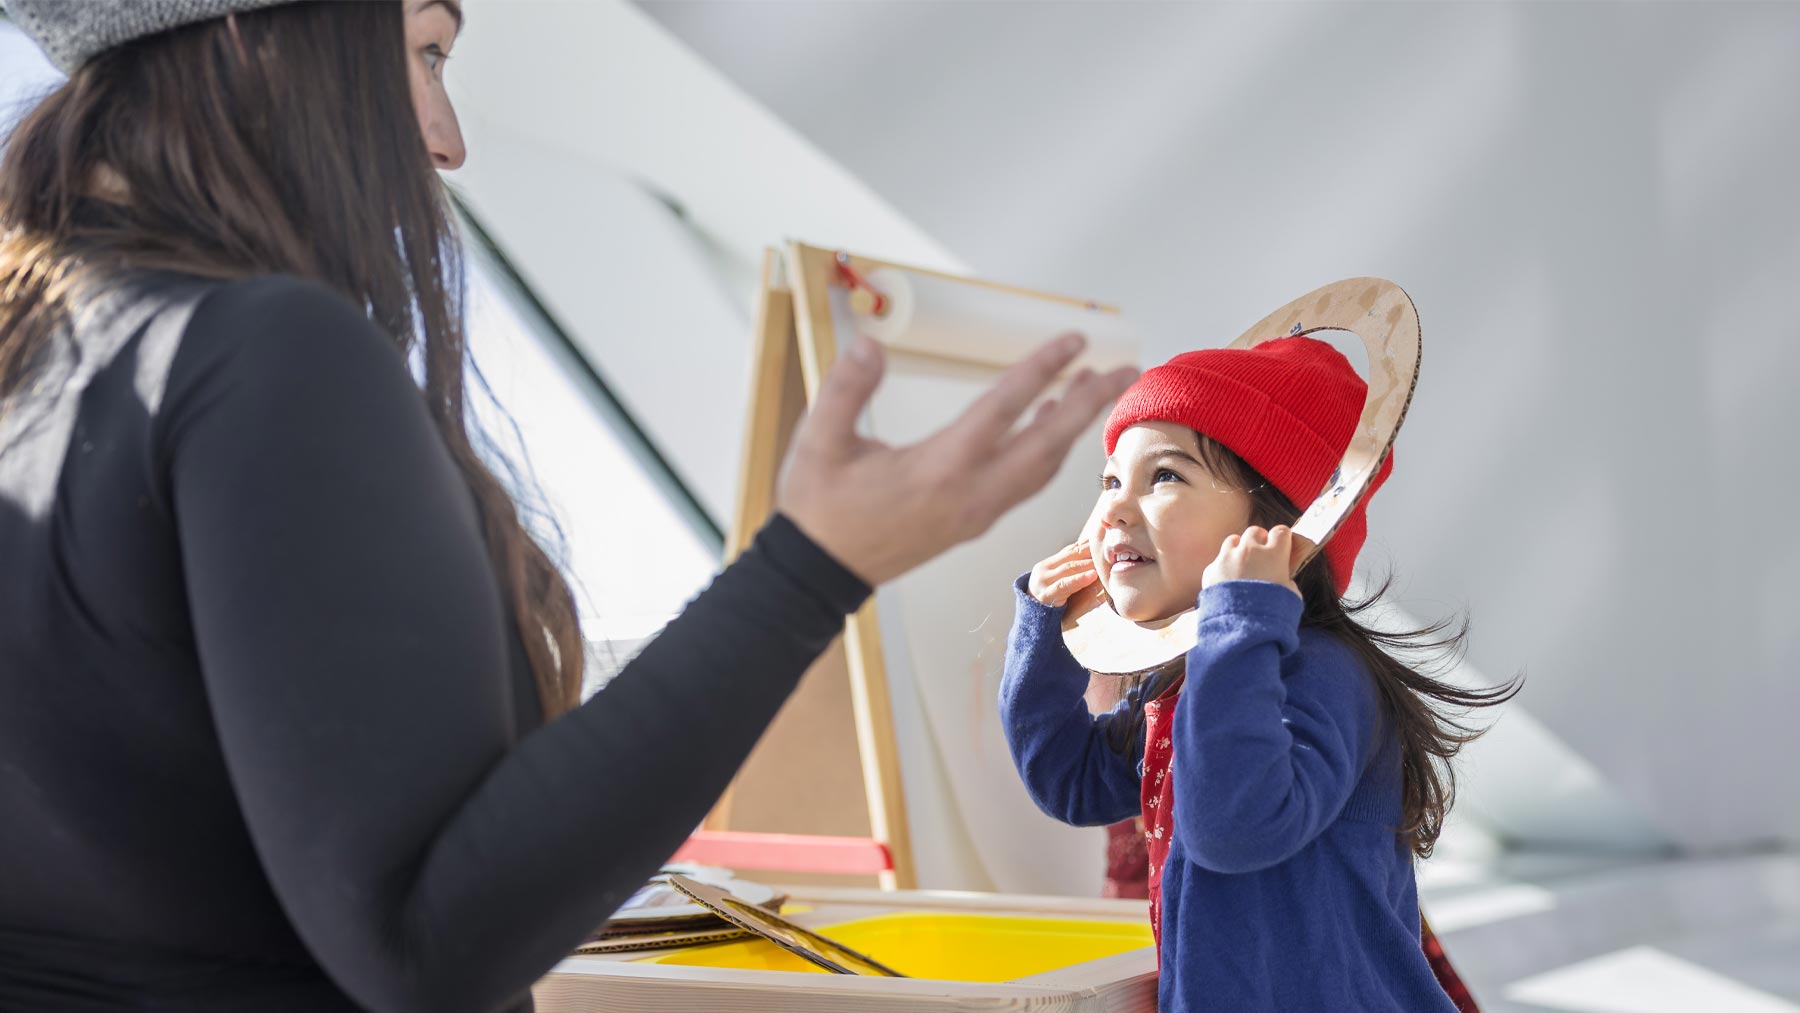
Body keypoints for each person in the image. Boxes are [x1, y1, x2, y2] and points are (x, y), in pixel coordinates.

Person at [0, 2, 1138, 1010]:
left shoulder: (39, 355)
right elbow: (429, 941)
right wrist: (812, 565)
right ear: (261, 36)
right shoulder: (262, 353)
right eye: (426, 53)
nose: (447, 140)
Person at [999, 337, 1514, 1011]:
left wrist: (1240, 619)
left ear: (1277, 527)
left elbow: (1234, 827)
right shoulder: (1189, 681)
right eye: (1111, 481)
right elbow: (1070, 781)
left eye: (1165, 476)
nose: (1114, 509)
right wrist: (1041, 634)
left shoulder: (1323, 671)